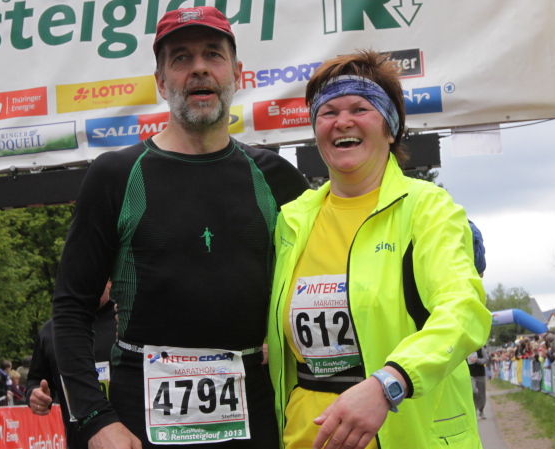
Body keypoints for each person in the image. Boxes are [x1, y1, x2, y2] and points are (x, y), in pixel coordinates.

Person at [52, 6, 308, 449]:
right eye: (181, 58)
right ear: (160, 81)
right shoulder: (115, 175)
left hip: (257, 413)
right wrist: (94, 420)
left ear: (237, 74)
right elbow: (71, 308)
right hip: (138, 420)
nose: (199, 68)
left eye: (213, 54)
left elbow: (313, 288)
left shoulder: (277, 178)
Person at [267, 49, 492, 449]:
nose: (343, 122)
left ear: (390, 128)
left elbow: (463, 311)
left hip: (408, 433)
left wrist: (390, 382)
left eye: (360, 108)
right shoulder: (291, 220)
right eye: (328, 112)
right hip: (307, 436)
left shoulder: (427, 208)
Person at [27, 280, 116, 449]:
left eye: (95, 277)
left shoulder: (130, 324)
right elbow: (35, 380)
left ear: (109, 282)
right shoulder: (50, 331)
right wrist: (35, 395)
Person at [467, 220, 489, 419]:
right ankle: (476, 410)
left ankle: (480, 410)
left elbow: (486, 358)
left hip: (478, 372)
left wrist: (478, 360)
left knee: (480, 394)